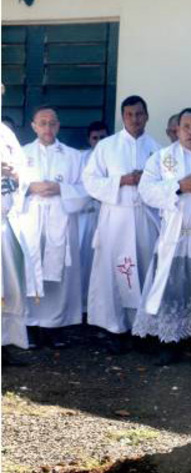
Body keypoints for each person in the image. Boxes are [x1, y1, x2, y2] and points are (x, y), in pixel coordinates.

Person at [133, 107, 191, 365]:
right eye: (186, 126)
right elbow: (146, 190)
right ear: (176, 130)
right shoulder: (161, 157)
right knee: (171, 289)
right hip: (173, 237)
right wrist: (178, 186)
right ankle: (169, 344)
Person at [82, 95, 160, 352]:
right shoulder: (107, 146)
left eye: (139, 114)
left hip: (145, 218)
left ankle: (142, 330)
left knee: (145, 269)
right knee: (114, 273)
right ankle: (114, 328)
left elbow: (165, 186)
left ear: (146, 116)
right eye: (129, 115)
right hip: (115, 218)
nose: (135, 119)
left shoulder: (158, 150)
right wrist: (122, 181)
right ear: (122, 117)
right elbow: (90, 182)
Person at [15, 106, 89, 347]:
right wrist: (29, 188)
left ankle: (55, 327)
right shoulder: (20, 154)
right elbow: (9, 187)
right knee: (31, 269)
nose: (48, 128)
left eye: (52, 123)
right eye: (42, 123)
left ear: (58, 126)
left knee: (59, 274)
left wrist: (61, 189)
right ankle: (31, 325)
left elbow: (87, 189)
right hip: (31, 219)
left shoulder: (73, 156)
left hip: (61, 218)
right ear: (34, 126)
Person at [1, 119, 30, 364]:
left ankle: (5, 345)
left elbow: (25, 172)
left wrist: (15, 172)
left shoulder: (6, 134)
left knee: (10, 288)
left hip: (6, 219)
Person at [80, 121, 109, 313]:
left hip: (105, 214)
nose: (99, 142)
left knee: (103, 262)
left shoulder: (112, 156)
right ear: (89, 140)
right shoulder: (81, 158)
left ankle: (100, 306)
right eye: (95, 138)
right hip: (85, 216)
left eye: (103, 138)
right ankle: (82, 305)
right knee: (84, 261)